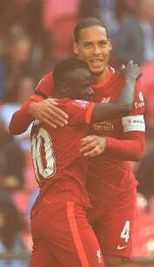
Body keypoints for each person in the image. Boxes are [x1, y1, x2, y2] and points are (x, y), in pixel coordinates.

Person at [9, 17, 146, 267]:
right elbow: (15, 125)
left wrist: (107, 144)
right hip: (75, 197)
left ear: (110, 46)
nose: (96, 52)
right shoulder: (58, 80)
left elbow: (137, 149)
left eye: (102, 44)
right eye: (88, 45)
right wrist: (33, 108)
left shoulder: (127, 87)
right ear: (76, 48)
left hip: (114, 195)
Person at [29, 58, 141, 266]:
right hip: (65, 208)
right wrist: (131, 78)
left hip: (42, 210)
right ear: (63, 88)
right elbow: (124, 106)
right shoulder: (68, 108)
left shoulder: (40, 114)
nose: (91, 92)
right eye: (84, 86)